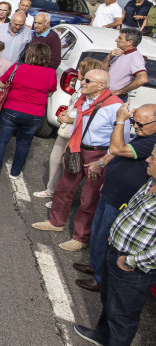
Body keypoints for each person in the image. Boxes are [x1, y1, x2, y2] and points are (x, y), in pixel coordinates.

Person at [72, 149, 156, 346]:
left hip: (132, 267)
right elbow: (131, 209)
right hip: (116, 251)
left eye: (154, 157)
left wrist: (130, 261)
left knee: (123, 316)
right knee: (109, 298)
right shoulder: (151, 182)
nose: (148, 159)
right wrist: (113, 235)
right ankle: (101, 334)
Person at [32, 69, 128, 251]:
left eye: (87, 80)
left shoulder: (115, 106)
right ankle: (56, 221)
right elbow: (78, 125)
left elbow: (121, 141)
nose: (81, 82)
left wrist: (103, 162)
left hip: (99, 154)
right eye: (83, 79)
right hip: (77, 148)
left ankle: (80, 238)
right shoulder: (84, 100)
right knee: (64, 188)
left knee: (89, 198)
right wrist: (69, 148)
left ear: (101, 86)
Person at [74, 103, 156, 294]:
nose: (135, 127)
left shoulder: (151, 142)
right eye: (133, 122)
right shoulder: (145, 135)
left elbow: (117, 148)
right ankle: (95, 266)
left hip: (122, 200)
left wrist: (120, 121)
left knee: (105, 239)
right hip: (111, 191)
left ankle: (101, 280)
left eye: (140, 124)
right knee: (97, 234)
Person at [0, 43, 57, 182]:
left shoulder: (17, 67)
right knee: (24, 143)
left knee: (1, 140)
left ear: (29, 54)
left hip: (12, 109)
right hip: (35, 113)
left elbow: (2, 84)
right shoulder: (51, 73)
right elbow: (50, 93)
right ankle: (15, 173)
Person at [107, 28, 148, 102]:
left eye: (120, 38)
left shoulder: (135, 57)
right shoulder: (121, 54)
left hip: (115, 98)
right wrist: (108, 57)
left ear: (129, 42)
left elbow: (142, 79)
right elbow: (103, 69)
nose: (116, 40)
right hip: (106, 95)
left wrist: (120, 91)